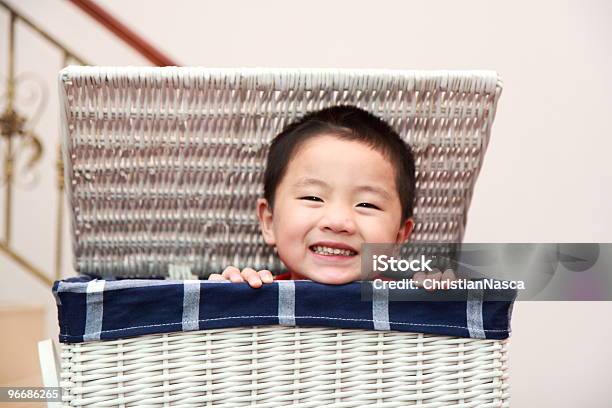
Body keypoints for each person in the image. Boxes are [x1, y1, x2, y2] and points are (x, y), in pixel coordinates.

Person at [208, 105, 455, 288]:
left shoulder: (406, 298)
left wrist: (442, 304)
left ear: (399, 237)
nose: (337, 222)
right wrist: (227, 298)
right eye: (313, 198)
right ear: (269, 222)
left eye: (367, 204)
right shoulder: (258, 292)